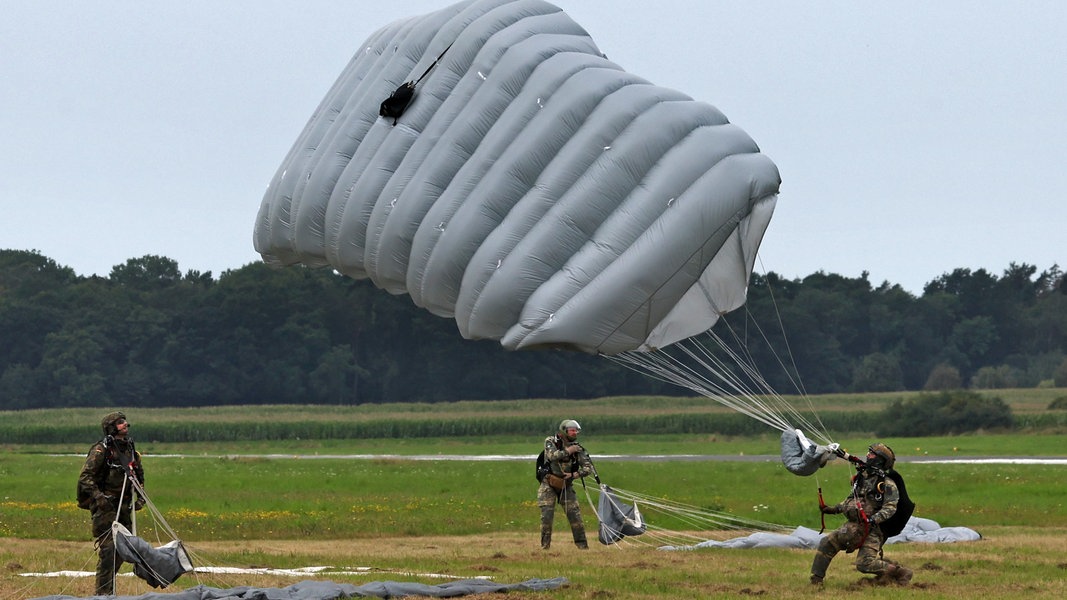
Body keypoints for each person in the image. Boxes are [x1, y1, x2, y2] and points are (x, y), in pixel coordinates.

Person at [810, 443, 913, 586]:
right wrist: (832, 509)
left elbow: (890, 508)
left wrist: (873, 520)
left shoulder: (886, 483)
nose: (867, 456)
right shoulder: (862, 478)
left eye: (871, 454)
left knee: (864, 564)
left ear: (879, 459)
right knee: (826, 543)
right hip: (852, 526)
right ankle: (816, 581)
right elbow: (850, 501)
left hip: (872, 531)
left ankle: (900, 572)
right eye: (868, 453)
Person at [77, 411, 145, 595]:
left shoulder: (129, 449)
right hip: (105, 507)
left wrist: (140, 498)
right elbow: (85, 477)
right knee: (108, 551)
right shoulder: (102, 450)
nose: (125, 424)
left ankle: (107, 590)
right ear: (111, 427)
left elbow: (138, 476)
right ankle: (103, 594)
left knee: (125, 549)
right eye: (120, 422)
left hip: (124, 507)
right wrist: (99, 498)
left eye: (125, 421)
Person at [537, 419, 594, 550]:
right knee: (546, 516)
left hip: (566, 485)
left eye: (576, 430)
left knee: (575, 516)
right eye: (572, 430)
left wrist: (574, 475)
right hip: (548, 484)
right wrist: (569, 451)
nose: (575, 433)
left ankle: (583, 547)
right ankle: (545, 547)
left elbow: (588, 468)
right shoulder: (551, 441)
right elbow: (552, 456)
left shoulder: (577, 448)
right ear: (564, 431)